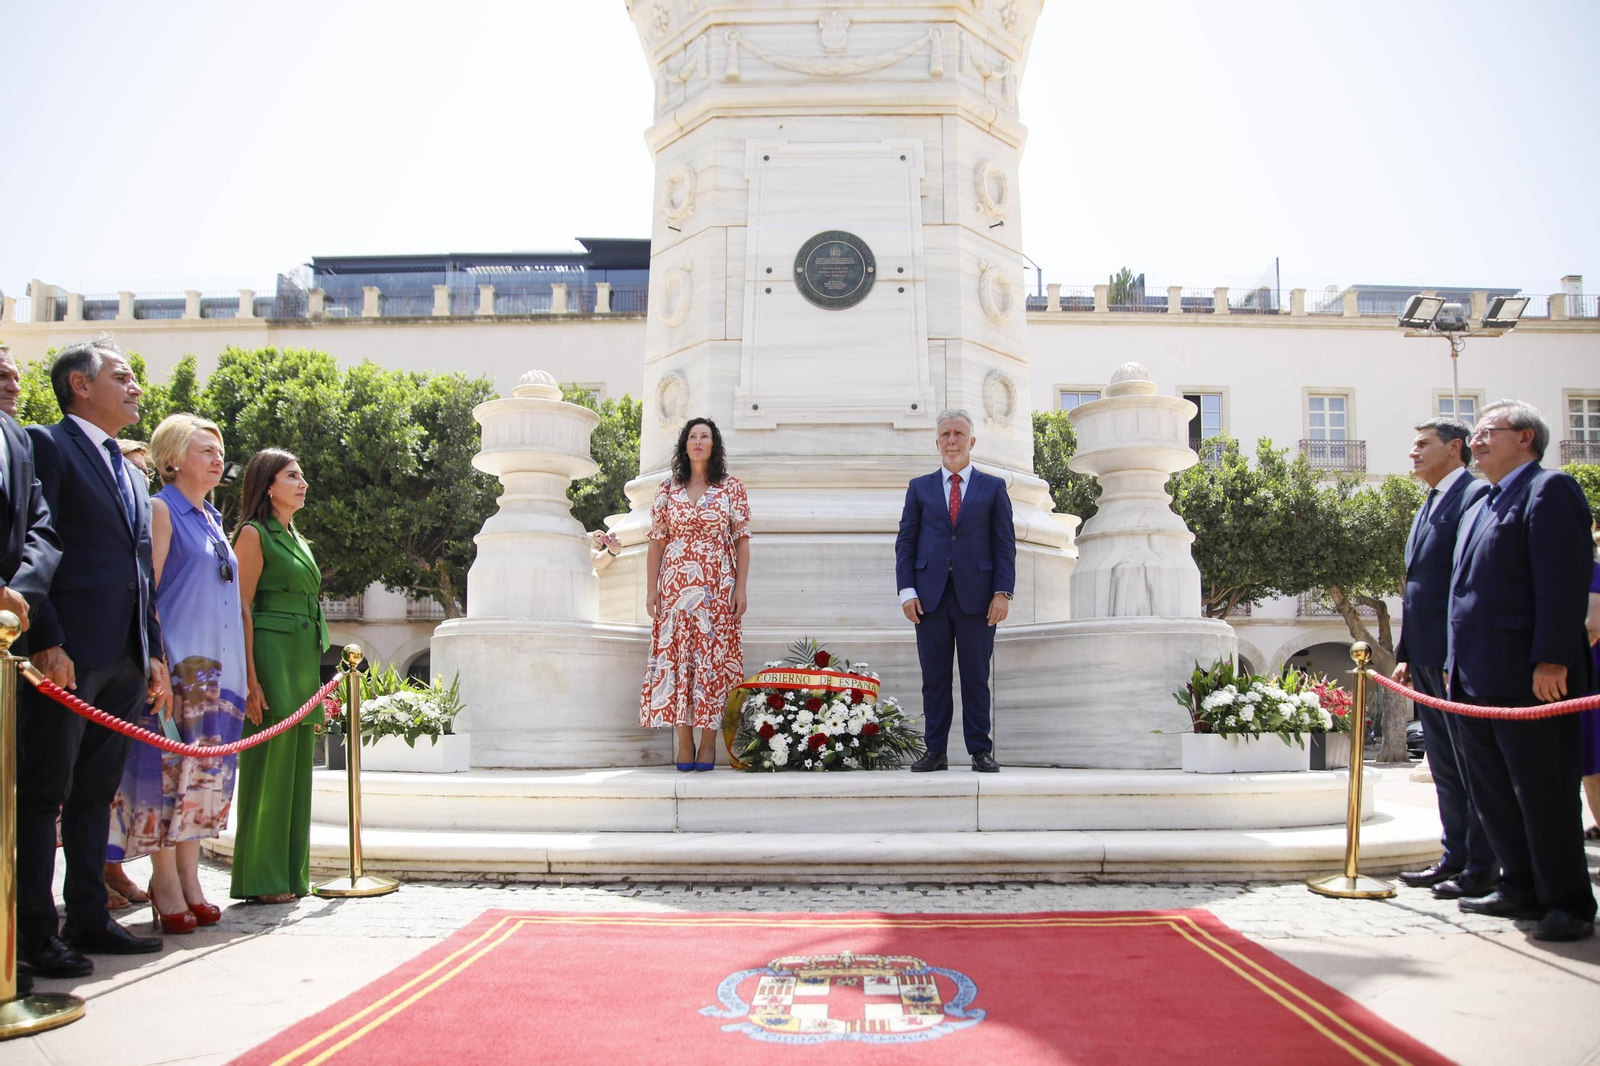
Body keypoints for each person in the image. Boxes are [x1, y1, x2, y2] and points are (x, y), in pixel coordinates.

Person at [19, 334, 169, 979]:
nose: (136, 386)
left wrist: (154, 653)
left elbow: (142, 571)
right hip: (65, 655)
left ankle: (88, 915)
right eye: (122, 375)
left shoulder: (134, 471)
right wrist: (47, 639)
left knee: (94, 794)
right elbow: (39, 544)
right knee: (45, 793)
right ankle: (33, 929)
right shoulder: (45, 445)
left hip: (125, 658)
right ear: (80, 384)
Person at [1447, 399, 1597, 942]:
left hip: (1531, 675)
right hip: (1474, 676)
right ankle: (1520, 887)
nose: (1478, 440)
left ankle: (1569, 902)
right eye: (1477, 432)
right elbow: (1462, 593)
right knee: (1493, 791)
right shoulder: (1480, 504)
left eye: (1490, 431)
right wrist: (1452, 662)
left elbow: (1562, 580)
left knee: (1543, 791)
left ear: (1526, 438)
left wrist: (1552, 657)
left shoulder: (1549, 490)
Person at [106, 415, 245, 933]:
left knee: (203, 780)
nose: (216, 459)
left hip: (220, 675)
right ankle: (164, 882)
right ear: (172, 459)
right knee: (163, 777)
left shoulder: (211, 516)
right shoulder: (162, 509)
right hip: (178, 670)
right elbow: (148, 591)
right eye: (204, 449)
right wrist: (155, 660)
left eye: (219, 450)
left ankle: (192, 879)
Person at [1391, 419, 1496, 899]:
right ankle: (1454, 856)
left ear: (1455, 448)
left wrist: (1457, 653)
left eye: (1422, 444)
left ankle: (1482, 865)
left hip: (1456, 658)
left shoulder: (1474, 496)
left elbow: (1466, 582)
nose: (1413, 452)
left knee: (1472, 767)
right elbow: (1418, 588)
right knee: (1445, 766)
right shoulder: (1429, 504)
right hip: (1428, 656)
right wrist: (1407, 653)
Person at [230, 449, 328, 903]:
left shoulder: (298, 537)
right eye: (292, 475)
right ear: (268, 484)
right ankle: (261, 878)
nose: (302, 481)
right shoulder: (253, 533)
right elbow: (240, 607)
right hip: (270, 655)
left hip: (302, 655)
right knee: (268, 765)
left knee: (295, 768)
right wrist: (249, 676)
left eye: (302, 474)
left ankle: (290, 874)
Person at [895, 409, 1014, 773]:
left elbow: (1004, 544)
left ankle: (980, 751)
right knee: (934, 679)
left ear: (972, 441)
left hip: (978, 599)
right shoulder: (920, 487)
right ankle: (936, 751)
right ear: (937, 442)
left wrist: (1003, 592)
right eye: (945, 434)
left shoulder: (993, 488)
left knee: (976, 677)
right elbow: (906, 542)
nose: (952, 440)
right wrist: (906, 591)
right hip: (928, 599)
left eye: (959, 433)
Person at [0, 345, 61, 993]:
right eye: (0, 371)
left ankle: (24, 940)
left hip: (16, 624)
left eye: (15, 371)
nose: (13, 381)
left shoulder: (20, 442)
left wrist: (19, 592)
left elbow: (42, 529)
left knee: (27, 794)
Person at [639, 418, 751, 771]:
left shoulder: (732, 488)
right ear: (685, 446)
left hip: (717, 587)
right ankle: (683, 741)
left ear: (713, 445)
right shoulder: (667, 490)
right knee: (678, 662)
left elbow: (742, 540)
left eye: (705, 436)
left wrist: (741, 587)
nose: (698, 441)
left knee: (712, 662)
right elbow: (656, 542)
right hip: (675, 588)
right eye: (693, 436)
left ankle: (707, 743)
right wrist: (651, 590)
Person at [103, 437, 155, 912]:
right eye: (132, 466)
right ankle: (93, 875)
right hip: (91, 650)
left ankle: (111, 869)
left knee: (115, 777)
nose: (141, 476)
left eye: (146, 470)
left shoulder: (142, 510)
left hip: (133, 655)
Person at [1584, 526, 1600, 841]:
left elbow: (1592, 627)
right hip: (1584, 682)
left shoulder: (1594, 573)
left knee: (1593, 767)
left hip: (1589, 680)